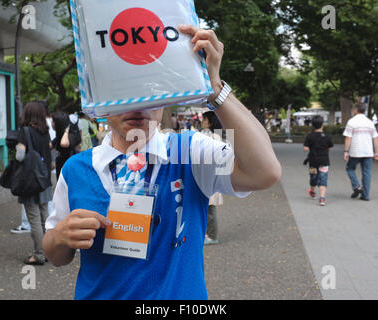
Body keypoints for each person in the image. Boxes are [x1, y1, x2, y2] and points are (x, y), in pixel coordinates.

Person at [42, 24, 281, 299]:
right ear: (103, 100)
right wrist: (60, 235)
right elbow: (56, 255)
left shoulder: (190, 152)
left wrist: (215, 90)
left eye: (152, 89)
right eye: (122, 92)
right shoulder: (77, 169)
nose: (138, 104)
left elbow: (265, 172)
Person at [16, 101, 52, 265]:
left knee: (34, 218)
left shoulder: (25, 132)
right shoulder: (46, 132)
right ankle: (50, 252)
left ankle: (38, 255)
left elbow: (20, 156)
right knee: (46, 216)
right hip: (44, 179)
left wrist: (17, 148)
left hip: (30, 180)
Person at [343, 102, 378, 200]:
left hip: (355, 151)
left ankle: (357, 186)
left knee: (349, 168)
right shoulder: (370, 122)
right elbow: (375, 138)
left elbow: (348, 138)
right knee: (367, 173)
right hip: (368, 152)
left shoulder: (351, 122)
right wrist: (376, 152)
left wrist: (346, 151)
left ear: (356, 110)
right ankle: (365, 196)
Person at [201, 111, 224, 244]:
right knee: (207, 206)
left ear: (210, 122)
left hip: (210, 175)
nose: (202, 122)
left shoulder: (214, 137)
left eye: (204, 119)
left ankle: (212, 235)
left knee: (210, 207)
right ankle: (207, 233)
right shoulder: (212, 135)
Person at [303, 115, 333, 206]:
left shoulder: (309, 136)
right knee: (323, 178)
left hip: (313, 161)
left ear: (313, 125)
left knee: (313, 177)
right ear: (322, 125)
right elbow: (329, 148)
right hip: (324, 162)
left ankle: (312, 191)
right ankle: (322, 198)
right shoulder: (327, 137)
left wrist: (311, 148)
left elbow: (305, 148)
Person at [51, 111, 75, 180]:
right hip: (60, 165)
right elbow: (50, 145)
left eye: (53, 121)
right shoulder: (59, 135)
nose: (51, 123)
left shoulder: (70, 135)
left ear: (59, 123)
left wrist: (66, 130)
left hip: (67, 167)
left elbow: (64, 144)